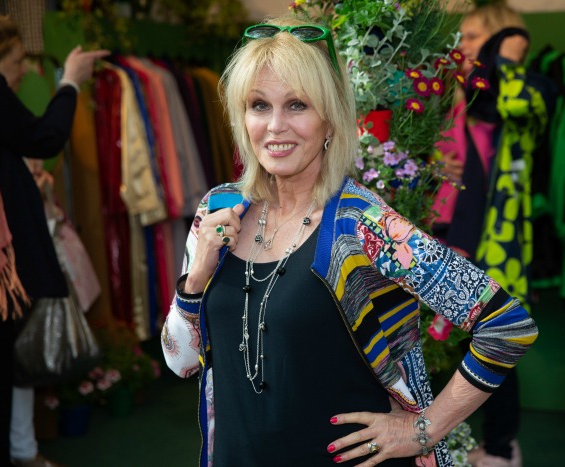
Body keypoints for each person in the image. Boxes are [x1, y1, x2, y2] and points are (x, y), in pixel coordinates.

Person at [161, 14, 538, 467]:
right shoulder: (218, 210)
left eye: (298, 105)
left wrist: (425, 429)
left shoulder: (363, 225)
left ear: (330, 120)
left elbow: (506, 325)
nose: (276, 126)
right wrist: (197, 274)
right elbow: (180, 362)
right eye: (259, 105)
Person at [0, 12, 109, 467]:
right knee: (0, 360)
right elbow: (45, 136)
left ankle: (21, 449)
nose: (21, 72)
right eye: (16, 61)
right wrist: (71, 81)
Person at [430, 2, 552, 466]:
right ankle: (463, 441)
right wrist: (434, 164)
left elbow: (518, 102)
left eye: (475, 36)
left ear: (504, 39)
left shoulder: (528, 93)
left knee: (494, 345)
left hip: (497, 247)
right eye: (461, 38)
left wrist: (508, 52)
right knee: (446, 347)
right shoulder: (454, 97)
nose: (462, 47)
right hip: (450, 236)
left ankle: (501, 448)